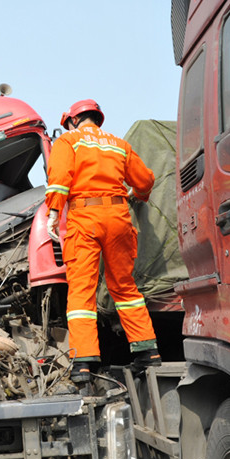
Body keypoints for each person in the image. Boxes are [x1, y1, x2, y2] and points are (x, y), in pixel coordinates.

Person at [45, 99, 160, 384]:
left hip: (85, 217)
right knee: (124, 287)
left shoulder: (68, 141)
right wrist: (138, 197)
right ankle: (148, 352)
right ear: (97, 119)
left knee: (82, 290)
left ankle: (83, 362)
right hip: (119, 217)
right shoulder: (118, 144)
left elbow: (59, 178)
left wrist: (53, 212)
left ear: (72, 120)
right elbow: (144, 181)